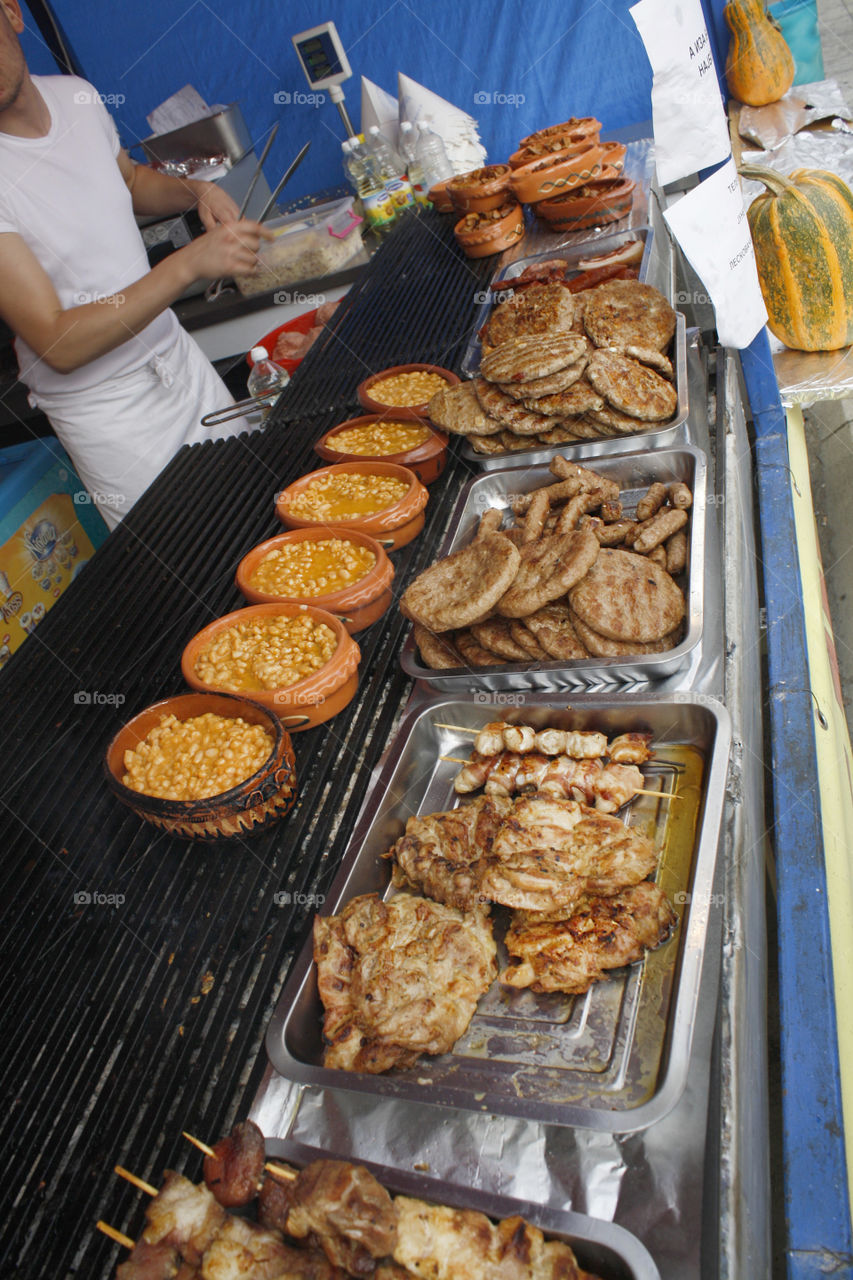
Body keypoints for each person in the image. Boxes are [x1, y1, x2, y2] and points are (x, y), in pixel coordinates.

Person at [0, 0, 272, 529]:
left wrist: (195, 190)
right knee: (191, 568)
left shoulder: (75, 96)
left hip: (180, 363)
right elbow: (59, 343)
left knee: (262, 513)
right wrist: (189, 264)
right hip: (110, 417)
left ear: (13, 14)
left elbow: (126, 180)